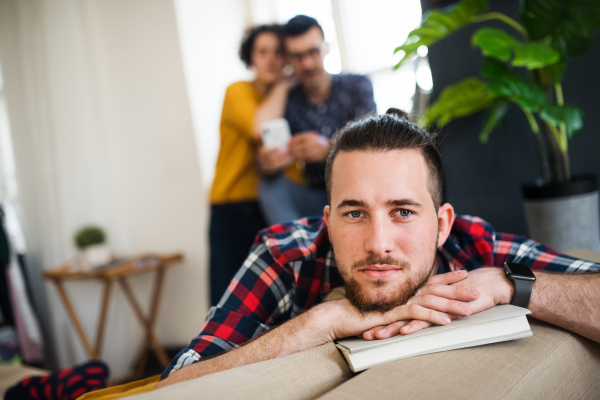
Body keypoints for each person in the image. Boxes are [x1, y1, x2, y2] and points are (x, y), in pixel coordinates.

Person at [157, 110, 600, 389]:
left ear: (442, 225)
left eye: (403, 212)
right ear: (327, 222)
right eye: (354, 214)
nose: (378, 244)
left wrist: (511, 283)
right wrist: (322, 321)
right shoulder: (284, 254)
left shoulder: (475, 244)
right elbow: (176, 384)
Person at [209, 24, 302, 306]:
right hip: (233, 210)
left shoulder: (293, 98)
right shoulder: (237, 90)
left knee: (270, 303)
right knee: (225, 302)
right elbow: (260, 127)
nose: (271, 59)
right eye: (262, 52)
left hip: (272, 207)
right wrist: (284, 84)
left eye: (278, 51)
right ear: (251, 58)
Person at [256, 15, 377, 225]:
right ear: (288, 60)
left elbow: (373, 145)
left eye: (313, 52)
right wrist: (267, 163)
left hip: (362, 190)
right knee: (270, 186)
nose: (308, 63)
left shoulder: (357, 85)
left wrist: (330, 148)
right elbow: (260, 131)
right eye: (297, 56)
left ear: (326, 48)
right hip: (317, 198)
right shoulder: (289, 101)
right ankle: (297, 255)